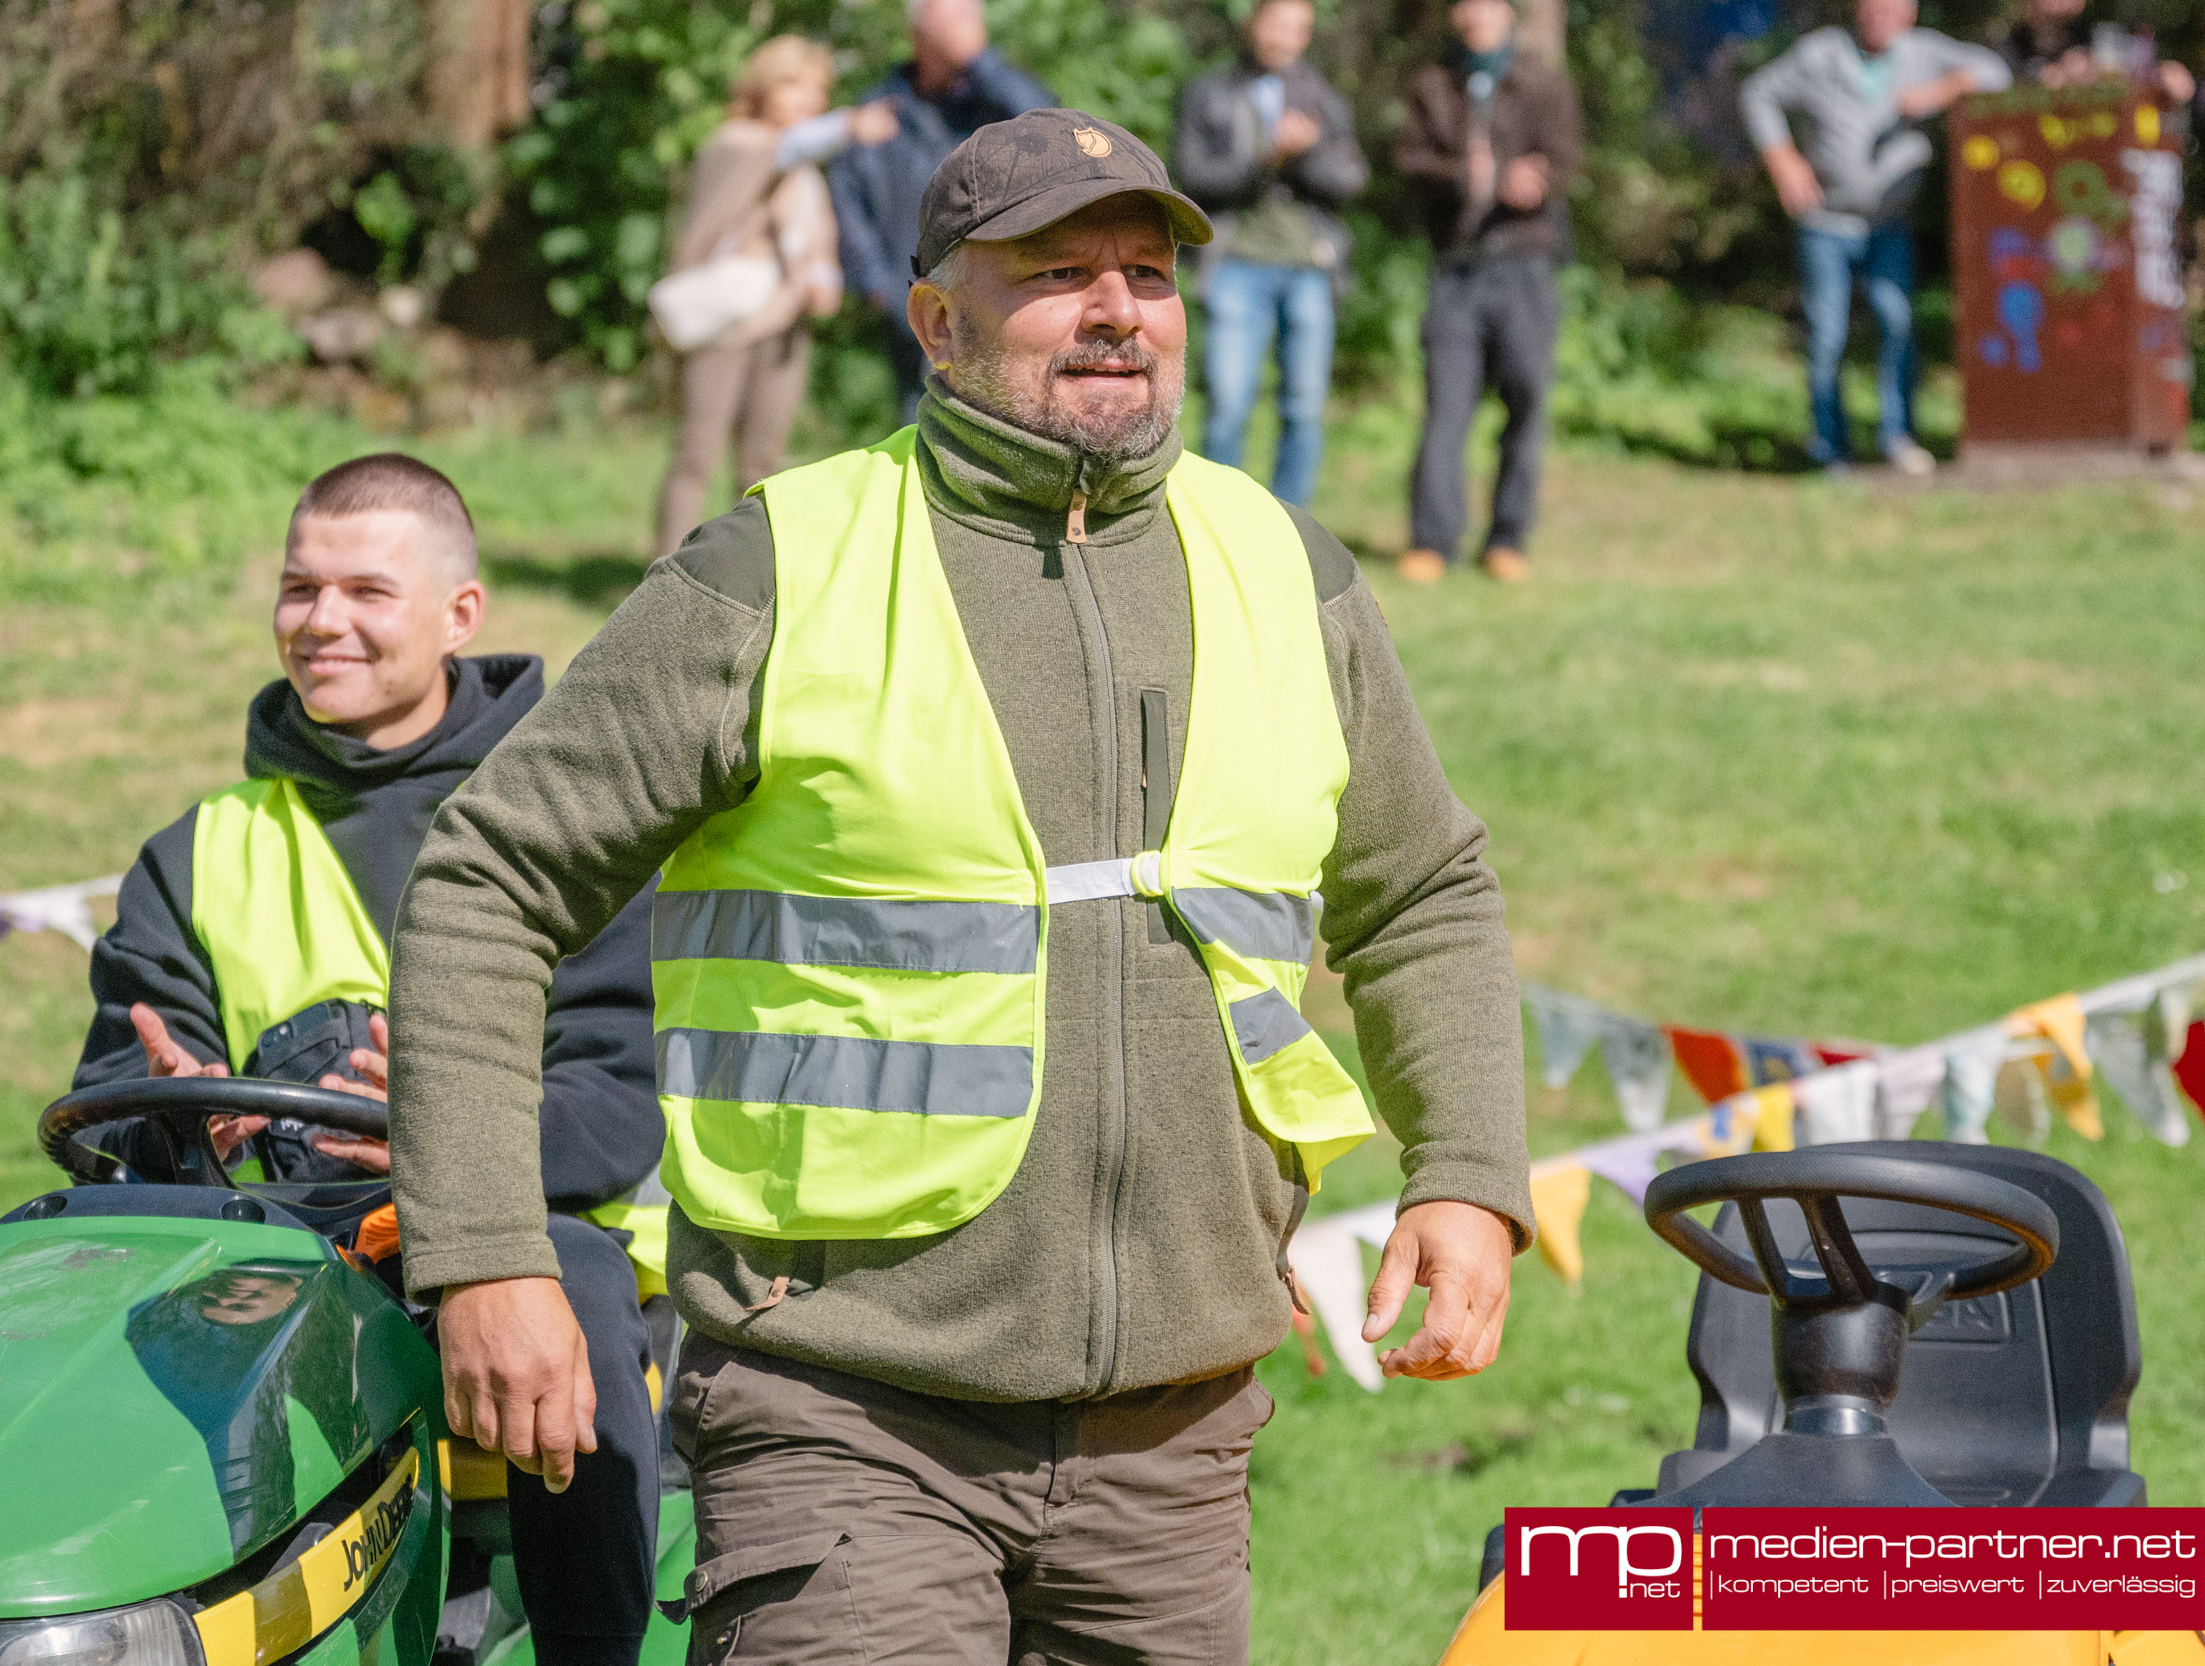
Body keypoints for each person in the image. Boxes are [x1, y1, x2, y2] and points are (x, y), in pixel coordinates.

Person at [390, 109, 1534, 1664]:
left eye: (1147, 272)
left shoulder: (1285, 564)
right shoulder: (778, 568)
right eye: (1058, 273)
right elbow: (490, 881)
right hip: (843, 1411)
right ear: (936, 320)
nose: (1117, 308)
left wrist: (1467, 1170)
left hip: (1177, 1439)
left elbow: (1424, 893)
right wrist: (485, 1250)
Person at [73, 453, 669, 1666]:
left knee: (568, 1287)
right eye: (299, 587)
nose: (320, 620)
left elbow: (618, 1108)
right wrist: (169, 1124)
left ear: (461, 614)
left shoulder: (576, 826)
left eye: (365, 591)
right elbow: (110, 1107)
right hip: (268, 1247)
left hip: (520, 1230)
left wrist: (450, 1140)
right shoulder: (200, 852)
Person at [651, 37, 898, 558]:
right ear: (762, 87)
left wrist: (824, 279)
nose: (809, 97)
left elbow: (817, 239)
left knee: (763, 463)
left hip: (785, 325)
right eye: (793, 83)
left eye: (818, 88)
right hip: (727, 323)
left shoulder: (806, 175)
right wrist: (848, 125)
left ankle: (747, 573)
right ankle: (665, 571)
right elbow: (784, 150)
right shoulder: (736, 142)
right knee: (696, 455)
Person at [1742, 0, 2009, 477]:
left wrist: (1942, 90)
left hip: (1890, 223)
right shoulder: (1822, 54)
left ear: (1910, 14)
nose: (1882, 15)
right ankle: (1831, 450)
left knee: (1897, 322)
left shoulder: (1924, 53)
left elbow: (1996, 72)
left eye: (1893, 7)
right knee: (1827, 333)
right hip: (1825, 220)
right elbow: (1758, 92)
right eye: (1874, 6)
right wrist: (1783, 159)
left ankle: (1898, 438)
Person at [1395, 0, 1581, 585]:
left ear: (1508, 14)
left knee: (1526, 397)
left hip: (1525, 264)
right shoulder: (1433, 84)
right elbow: (1407, 159)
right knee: (1446, 406)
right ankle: (1432, 540)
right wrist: (1462, 175)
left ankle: (1507, 537)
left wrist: (1536, 181)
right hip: (1457, 267)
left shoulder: (1545, 83)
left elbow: (1566, 160)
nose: (1476, 16)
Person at [1175, 0, 1368, 509]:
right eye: (1276, 24)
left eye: (1297, 28)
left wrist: (1305, 155)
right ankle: (1220, 518)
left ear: (1307, 36)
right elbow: (1192, 176)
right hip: (1234, 262)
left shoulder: (1323, 98)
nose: (1284, 37)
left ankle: (1291, 524)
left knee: (1304, 408)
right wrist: (1267, 158)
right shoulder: (1209, 91)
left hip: (1309, 268)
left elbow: (1352, 179)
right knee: (1228, 404)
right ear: (1253, 24)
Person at [829, 0, 1052, 423]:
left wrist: (981, 61)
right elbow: (847, 197)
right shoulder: (881, 107)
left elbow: (1049, 129)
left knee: (1000, 415)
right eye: (952, 20)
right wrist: (875, 281)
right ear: (917, 33)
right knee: (920, 416)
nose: (965, 29)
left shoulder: (991, 101)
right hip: (905, 288)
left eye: (970, 18)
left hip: (993, 283)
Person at [1994, 0, 2194, 99]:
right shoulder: (2003, 45)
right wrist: (2050, 78)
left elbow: (2138, 73)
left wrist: (2164, 76)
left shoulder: (2100, 39)